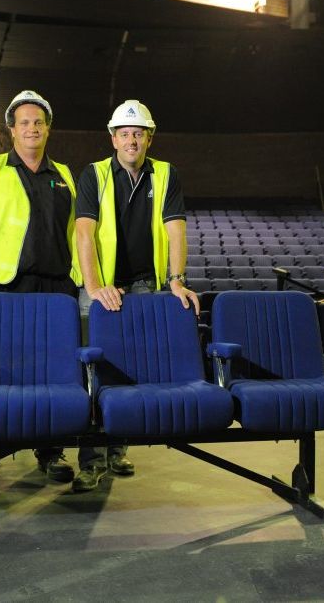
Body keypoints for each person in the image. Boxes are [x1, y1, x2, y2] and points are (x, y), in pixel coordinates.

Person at [0, 89, 82, 491]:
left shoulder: (64, 175)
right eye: (24, 122)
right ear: (12, 130)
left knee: (51, 371)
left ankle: (51, 451)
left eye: (38, 122)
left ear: (48, 129)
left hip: (55, 289)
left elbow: (78, 233)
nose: (32, 128)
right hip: (2, 289)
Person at [72, 99, 198, 492]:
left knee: (128, 370)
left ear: (149, 138)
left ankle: (117, 448)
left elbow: (175, 229)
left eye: (138, 134)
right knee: (92, 370)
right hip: (101, 284)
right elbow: (83, 233)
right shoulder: (93, 174)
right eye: (124, 134)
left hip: (144, 283)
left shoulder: (166, 174)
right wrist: (94, 287)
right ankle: (90, 458)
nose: (131, 140)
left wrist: (175, 279)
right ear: (113, 138)